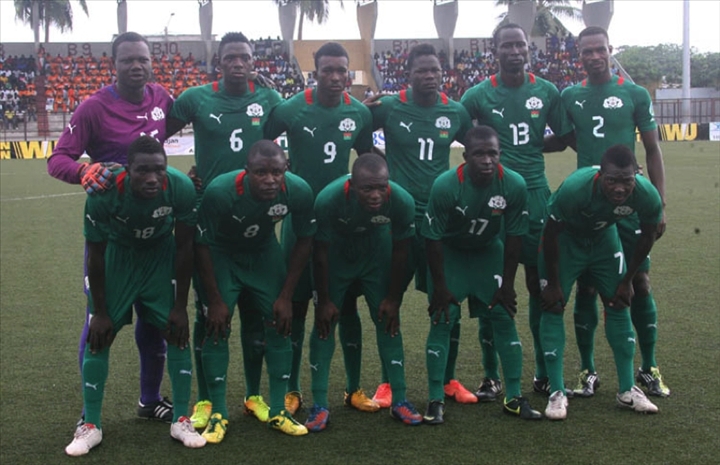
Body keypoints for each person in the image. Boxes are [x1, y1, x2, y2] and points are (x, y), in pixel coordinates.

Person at [48, 32, 176, 425]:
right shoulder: (93, 108)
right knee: (99, 322)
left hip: (156, 233)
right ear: (113, 65)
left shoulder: (163, 100)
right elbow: (58, 160)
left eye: (143, 59)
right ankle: (90, 415)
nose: (137, 66)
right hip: (112, 236)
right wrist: (85, 170)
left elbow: (207, 121)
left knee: (155, 323)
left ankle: (149, 400)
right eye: (128, 60)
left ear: (151, 62)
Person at [166, 32, 284, 430]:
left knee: (256, 316)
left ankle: (253, 396)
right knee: (210, 315)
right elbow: (152, 135)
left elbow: (300, 129)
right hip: (212, 220)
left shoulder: (269, 100)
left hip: (259, 220)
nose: (238, 63)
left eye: (245, 57)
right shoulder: (195, 98)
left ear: (254, 62)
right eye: (230, 57)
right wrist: (178, 176)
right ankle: (203, 399)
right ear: (218, 62)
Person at [545, 26, 669, 398]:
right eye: (587, 51)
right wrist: (513, 143)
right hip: (591, 201)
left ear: (610, 51)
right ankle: (588, 370)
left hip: (628, 199)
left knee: (638, 283)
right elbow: (564, 140)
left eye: (600, 49)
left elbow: (652, 149)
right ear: (577, 55)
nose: (594, 56)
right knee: (586, 286)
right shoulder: (570, 96)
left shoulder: (633, 94)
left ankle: (648, 367)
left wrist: (659, 203)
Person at [65, 136, 205, 456]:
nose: (152, 178)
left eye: (159, 169)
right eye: (143, 171)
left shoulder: (180, 187)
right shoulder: (104, 194)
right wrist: (99, 310)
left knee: (176, 331)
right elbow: (96, 256)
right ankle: (91, 424)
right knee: (100, 335)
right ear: (129, 170)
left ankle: (181, 419)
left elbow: (184, 247)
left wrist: (181, 305)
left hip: (159, 258)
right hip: (118, 258)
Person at [461, 23, 572, 400]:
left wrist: (534, 151)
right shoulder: (477, 95)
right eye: (506, 45)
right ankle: (490, 375)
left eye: (519, 44)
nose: (514, 50)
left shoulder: (546, 91)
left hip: (537, 195)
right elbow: (461, 132)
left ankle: (542, 372)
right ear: (495, 51)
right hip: (495, 195)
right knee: (495, 285)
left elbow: (566, 136)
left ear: (529, 49)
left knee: (537, 284)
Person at [264, 42, 376, 414]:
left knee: (346, 305)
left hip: (340, 222)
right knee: (295, 307)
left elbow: (369, 160)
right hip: (299, 221)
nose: (334, 77)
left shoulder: (359, 113)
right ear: (315, 72)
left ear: (348, 73)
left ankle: (355, 388)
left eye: (340, 70)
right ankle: (292, 389)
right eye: (326, 70)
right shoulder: (290, 109)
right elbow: (262, 143)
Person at [369, 43, 473, 407]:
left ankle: (448, 379)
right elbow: (360, 129)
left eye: (435, 71)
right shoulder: (389, 106)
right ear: (408, 74)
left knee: (448, 299)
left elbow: (477, 148)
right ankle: (386, 382)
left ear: (442, 73)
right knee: (388, 297)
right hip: (396, 216)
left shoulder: (455, 111)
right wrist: (379, 164)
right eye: (421, 71)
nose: (429, 77)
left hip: (439, 219)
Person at [193, 140, 316, 441]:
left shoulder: (298, 190)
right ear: (247, 171)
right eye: (261, 172)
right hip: (222, 255)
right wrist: (215, 299)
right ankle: (219, 413)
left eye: (277, 172)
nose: (270, 179)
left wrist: (287, 294)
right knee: (217, 325)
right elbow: (201, 244)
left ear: (286, 169)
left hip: (263, 254)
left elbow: (305, 239)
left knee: (280, 324)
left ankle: (278, 410)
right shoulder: (220, 192)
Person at [421, 126, 541, 424]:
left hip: (488, 252)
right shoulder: (446, 185)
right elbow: (432, 239)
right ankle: (435, 399)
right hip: (452, 253)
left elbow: (514, 237)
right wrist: (439, 286)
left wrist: (508, 285)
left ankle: (513, 397)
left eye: (493, 153)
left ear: (500, 155)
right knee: (443, 316)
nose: (487, 160)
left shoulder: (513, 184)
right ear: (466, 156)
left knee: (503, 315)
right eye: (479, 154)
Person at [539, 144, 661, 420]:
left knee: (619, 302)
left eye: (626, 181)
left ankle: (627, 390)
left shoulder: (645, 194)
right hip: (566, 242)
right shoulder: (576, 188)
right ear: (600, 176)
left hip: (604, 241)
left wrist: (627, 279)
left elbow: (648, 234)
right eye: (612, 181)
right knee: (554, 304)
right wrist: (555, 282)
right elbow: (551, 233)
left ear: (636, 176)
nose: (620, 188)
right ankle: (557, 392)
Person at [306, 154, 423, 431]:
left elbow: (402, 251)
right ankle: (320, 404)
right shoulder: (328, 198)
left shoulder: (401, 200)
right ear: (352, 184)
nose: (375, 194)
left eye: (381, 187)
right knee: (325, 323)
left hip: (375, 257)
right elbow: (319, 252)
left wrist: (394, 297)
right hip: (336, 259)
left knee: (388, 319)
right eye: (367, 188)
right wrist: (323, 300)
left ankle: (400, 400)